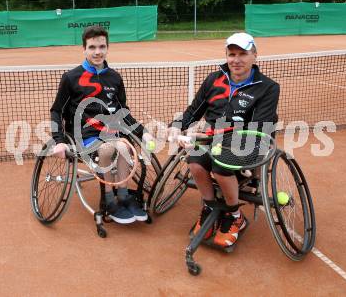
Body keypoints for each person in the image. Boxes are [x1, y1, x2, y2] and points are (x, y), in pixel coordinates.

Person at [168, 32, 280, 248]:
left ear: (254, 55)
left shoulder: (268, 87)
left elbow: (260, 127)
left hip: (250, 141)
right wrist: (176, 128)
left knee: (220, 165)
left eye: (243, 54)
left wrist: (214, 134)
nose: (236, 60)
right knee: (194, 161)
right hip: (212, 137)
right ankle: (209, 207)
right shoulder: (213, 79)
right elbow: (194, 110)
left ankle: (234, 215)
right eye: (231, 54)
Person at [50, 25, 154, 224]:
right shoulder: (71, 77)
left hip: (111, 135)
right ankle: (108, 200)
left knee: (124, 147)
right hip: (83, 137)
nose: (97, 52)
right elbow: (57, 111)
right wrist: (59, 141)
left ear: (107, 48)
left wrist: (143, 133)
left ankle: (123, 197)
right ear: (84, 49)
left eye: (101, 46)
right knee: (108, 149)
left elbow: (123, 113)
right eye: (92, 47)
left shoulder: (114, 78)